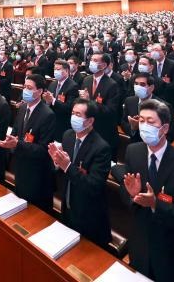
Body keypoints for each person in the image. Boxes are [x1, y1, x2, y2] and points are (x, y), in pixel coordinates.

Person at [120, 99, 174, 282]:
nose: (144, 126)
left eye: (150, 122)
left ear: (165, 128)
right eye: (141, 120)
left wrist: (155, 204)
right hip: (140, 243)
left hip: (170, 252)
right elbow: (125, 194)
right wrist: (133, 195)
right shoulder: (133, 151)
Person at [48, 98, 112, 249]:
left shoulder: (101, 148)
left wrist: (67, 166)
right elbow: (65, 171)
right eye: (72, 113)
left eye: (78, 114)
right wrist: (57, 163)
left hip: (89, 217)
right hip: (67, 208)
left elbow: (93, 186)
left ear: (90, 121)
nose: (73, 117)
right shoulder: (68, 136)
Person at [0, 74, 56, 210]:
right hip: (21, 168)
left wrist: (17, 144)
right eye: (24, 87)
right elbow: (15, 133)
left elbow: (43, 150)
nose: (25, 90)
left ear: (39, 91)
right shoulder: (23, 108)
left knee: (34, 214)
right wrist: (8, 142)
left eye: (29, 88)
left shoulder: (47, 115)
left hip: (37, 175)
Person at [79, 52, 122, 157]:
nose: (91, 63)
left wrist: (90, 101)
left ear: (104, 65)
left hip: (103, 131)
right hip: (88, 128)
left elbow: (110, 111)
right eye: (91, 60)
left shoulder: (112, 84)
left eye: (95, 60)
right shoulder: (86, 80)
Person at [121, 73, 168, 143]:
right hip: (134, 144)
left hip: (155, 144)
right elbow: (123, 122)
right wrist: (133, 128)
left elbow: (169, 135)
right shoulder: (129, 101)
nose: (138, 87)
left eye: (142, 84)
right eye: (136, 84)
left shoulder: (163, 106)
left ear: (151, 88)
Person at [43, 58, 79, 136]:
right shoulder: (52, 84)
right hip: (50, 121)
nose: (55, 71)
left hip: (62, 123)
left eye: (58, 69)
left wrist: (53, 100)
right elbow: (48, 103)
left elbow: (69, 108)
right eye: (54, 69)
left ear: (66, 71)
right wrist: (47, 101)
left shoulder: (73, 86)